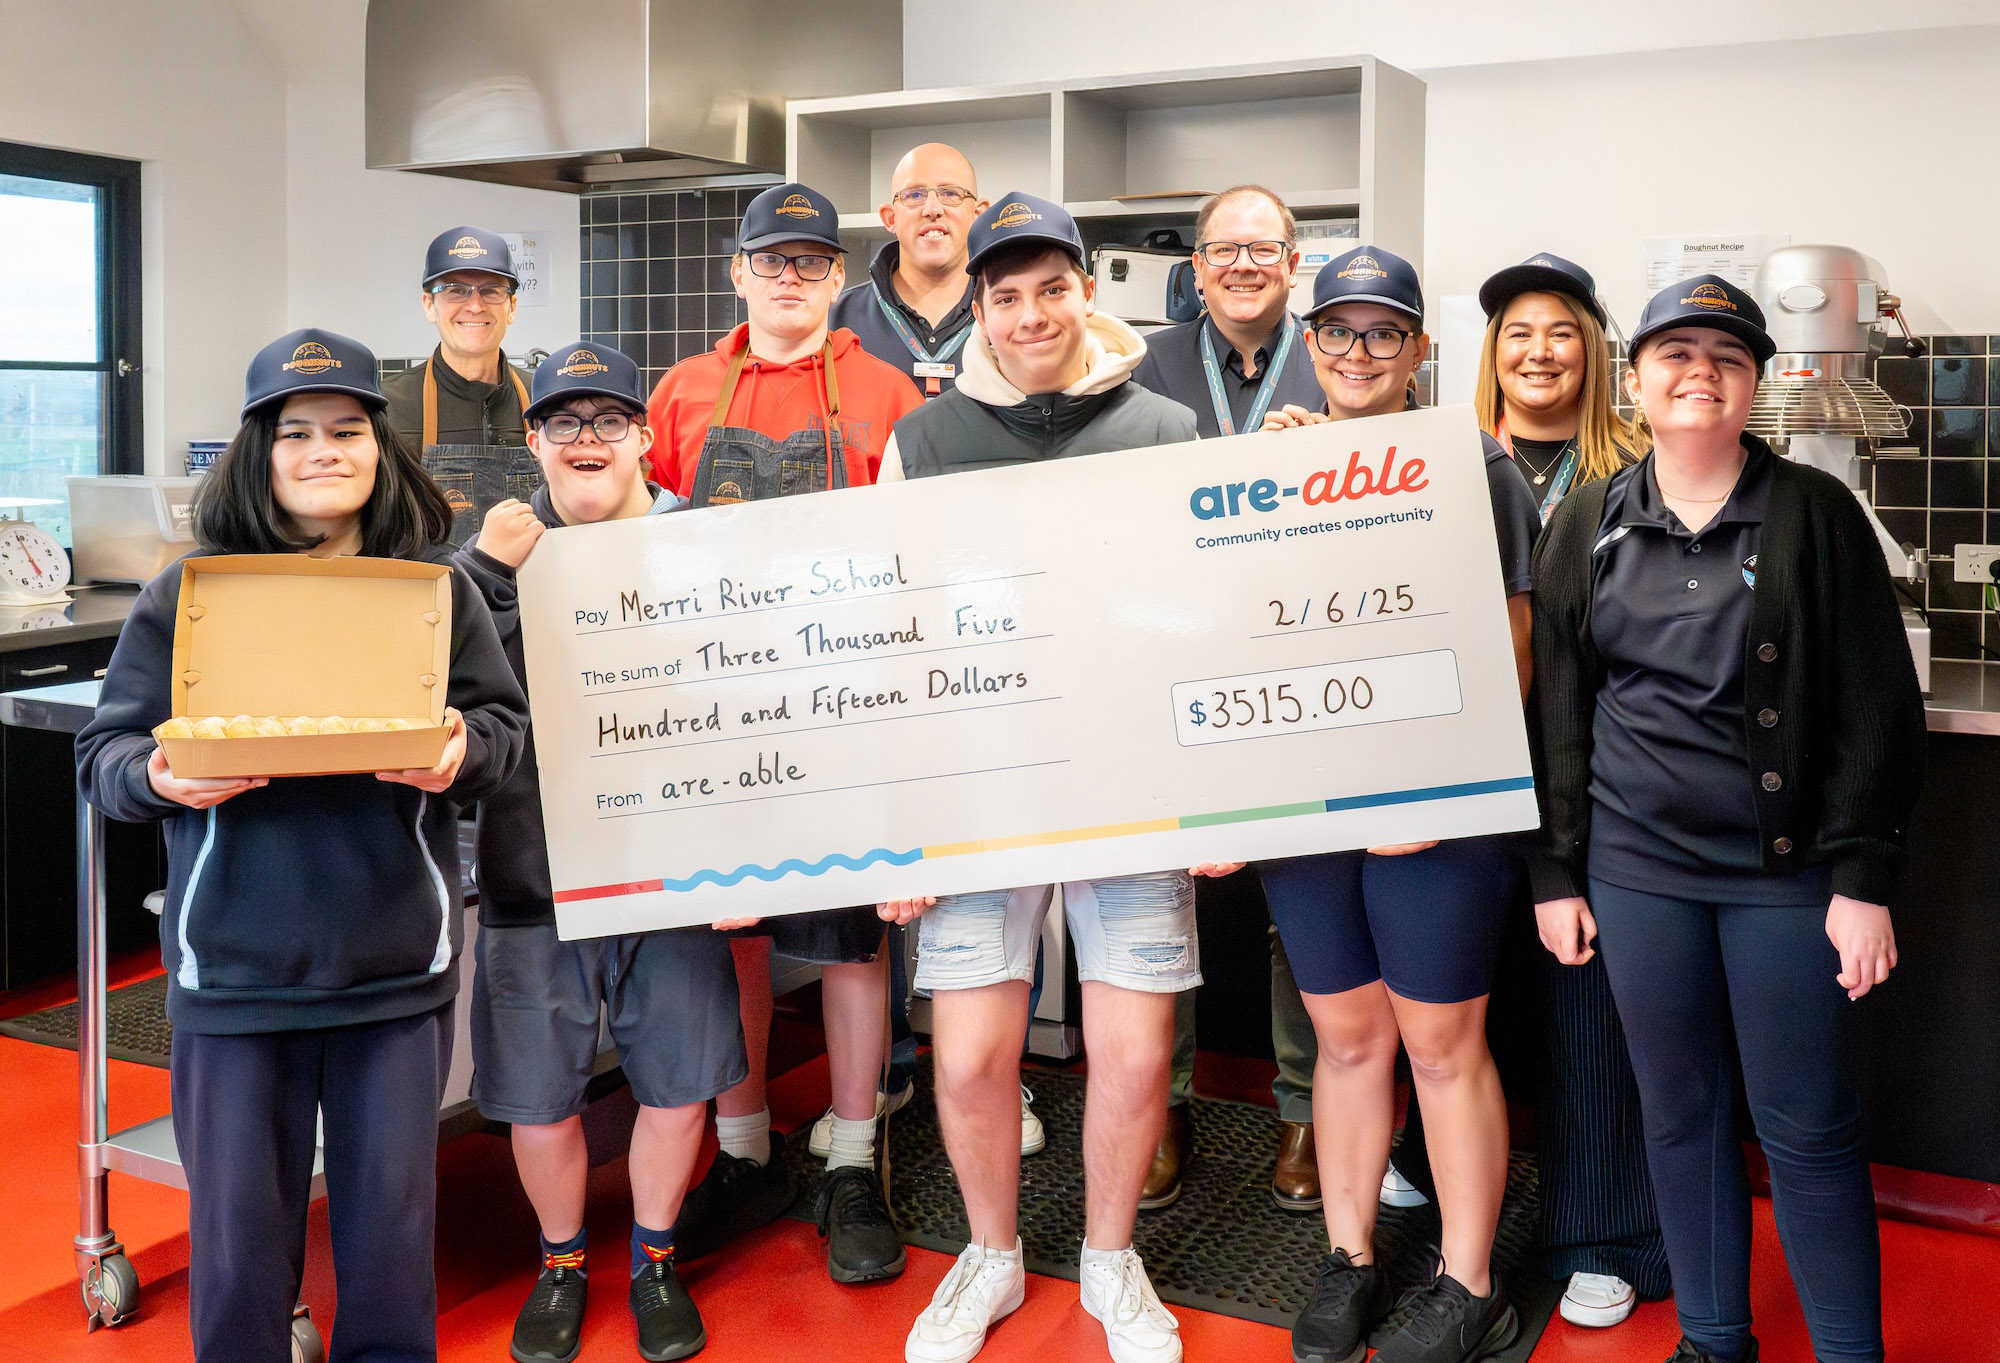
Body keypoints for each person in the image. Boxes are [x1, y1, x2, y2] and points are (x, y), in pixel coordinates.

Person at [75, 328, 529, 1363]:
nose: (324, 450)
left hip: (393, 970)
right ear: (259, 453)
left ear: (381, 451)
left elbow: (504, 734)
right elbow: (104, 756)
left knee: (388, 1250)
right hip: (236, 970)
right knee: (237, 1261)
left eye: (348, 431)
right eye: (296, 433)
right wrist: (158, 775)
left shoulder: (433, 595)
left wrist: (462, 749)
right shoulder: (190, 597)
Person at [1528, 275, 1925, 1363]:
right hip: (1634, 872)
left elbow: (1874, 709)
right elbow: (1559, 708)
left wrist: (1861, 879)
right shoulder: (1588, 519)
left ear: (1753, 383)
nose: (1697, 373)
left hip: (1782, 879)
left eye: (1724, 357)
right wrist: (1554, 874)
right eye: (1674, 354)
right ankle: (1712, 1339)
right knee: (1679, 1115)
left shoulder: (1812, 515)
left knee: (1804, 1126)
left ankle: (1849, 1354)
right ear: (1636, 378)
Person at [878, 192, 1201, 1363]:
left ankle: (1112, 1262)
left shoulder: (1163, 429)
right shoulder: (922, 441)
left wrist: (1208, 788)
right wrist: (900, 825)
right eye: (1003, 295)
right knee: (966, 1055)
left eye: (1049, 288)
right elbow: (891, 635)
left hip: (1129, 780)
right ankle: (993, 1255)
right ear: (977, 307)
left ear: (1084, 290)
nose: (1028, 314)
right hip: (979, 785)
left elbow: (1195, 619)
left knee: (1129, 1052)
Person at [1257, 246, 1539, 1363]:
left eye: (1383, 332)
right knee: (1344, 1035)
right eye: (1336, 331)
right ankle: (1350, 1254)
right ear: (1308, 342)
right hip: (1314, 803)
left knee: (1439, 1041)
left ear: (1419, 348)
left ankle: (1467, 1280)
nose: (1358, 352)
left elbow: (1513, 649)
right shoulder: (1270, 464)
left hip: (1439, 804)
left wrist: (1445, 780)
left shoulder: (1476, 465)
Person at [644, 181, 922, 1286]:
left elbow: (914, 557)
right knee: (736, 933)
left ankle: (854, 1157)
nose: (791, 276)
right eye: (773, 258)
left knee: (851, 938)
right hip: (713, 709)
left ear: (836, 275)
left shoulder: (888, 390)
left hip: (849, 700)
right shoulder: (679, 392)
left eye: (811, 260)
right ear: (738, 270)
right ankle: (746, 1146)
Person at [457, 341, 745, 1363]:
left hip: (671, 874)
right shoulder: (483, 562)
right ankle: (563, 1260)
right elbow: (445, 701)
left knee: (676, 1086)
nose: (586, 441)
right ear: (532, 439)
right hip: (533, 878)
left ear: (644, 437)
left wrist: (746, 855)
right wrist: (489, 568)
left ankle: (656, 1256)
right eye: (563, 423)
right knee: (538, 1099)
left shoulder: (703, 552)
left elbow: (750, 707)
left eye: (608, 421)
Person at [1126, 183, 1326, 1214]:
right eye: (1222, 249)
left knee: (1299, 901)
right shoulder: (1140, 365)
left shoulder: (1334, 359)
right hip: (1171, 666)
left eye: (1262, 246)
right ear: (1194, 268)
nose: (1242, 264)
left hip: (1293, 662)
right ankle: (1159, 1105)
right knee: (1164, 892)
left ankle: (1301, 1110)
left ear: (1292, 261)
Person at [1475, 251, 1661, 1330]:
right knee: (1465, 996)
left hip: (1591, 784)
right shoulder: (1441, 465)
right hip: (1468, 785)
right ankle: (1442, 1182)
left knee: (1584, 999)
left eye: (1560, 332)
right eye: (1515, 332)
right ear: (1488, 354)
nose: (1537, 351)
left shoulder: (1638, 474)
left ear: (1593, 353)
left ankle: (1598, 1230)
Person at [831, 142, 988, 398]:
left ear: (979, 214)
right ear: (890, 217)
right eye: (914, 195)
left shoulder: (1010, 316)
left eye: (950, 193)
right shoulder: (836, 320)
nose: (933, 209)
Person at [381, 225, 532, 454]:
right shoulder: (387, 406)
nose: (474, 306)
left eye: (491, 290)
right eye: (456, 290)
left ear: (511, 307)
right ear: (429, 305)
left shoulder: (544, 400)